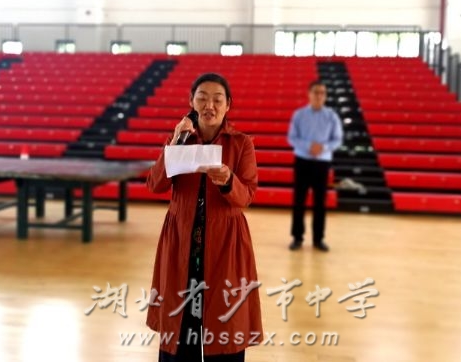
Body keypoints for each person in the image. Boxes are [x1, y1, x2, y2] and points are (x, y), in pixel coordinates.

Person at [146, 72, 263, 361]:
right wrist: (175, 142)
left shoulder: (241, 144)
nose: (209, 105)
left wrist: (228, 180)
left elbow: (247, 196)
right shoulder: (179, 140)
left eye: (217, 99)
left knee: (225, 323)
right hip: (180, 242)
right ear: (191, 102)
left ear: (228, 105)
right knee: (179, 327)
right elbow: (155, 184)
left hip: (226, 243)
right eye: (202, 98)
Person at [287, 80, 343, 252]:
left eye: (322, 93)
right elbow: (292, 137)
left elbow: (337, 139)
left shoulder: (332, 116)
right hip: (302, 160)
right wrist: (308, 146)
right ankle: (297, 237)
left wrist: (323, 147)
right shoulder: (299, 115)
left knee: (320, 202)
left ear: (325, 96)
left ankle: (318, 239)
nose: (319, 95)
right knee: (299, 200)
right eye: (316, 92)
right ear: (309, 94)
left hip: (322, 163)